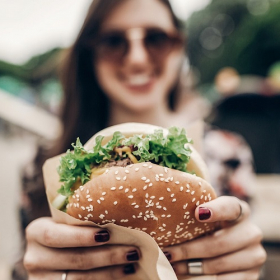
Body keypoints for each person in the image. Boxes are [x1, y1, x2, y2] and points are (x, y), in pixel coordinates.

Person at [14, 0, 266, 279]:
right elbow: (23, 264)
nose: (137, 58)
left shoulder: (228, 153)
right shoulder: (39, 168)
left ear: (178, 47)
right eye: (113, 41)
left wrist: (243, 264)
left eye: (156, 39)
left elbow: (243, 255)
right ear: (90, 55)